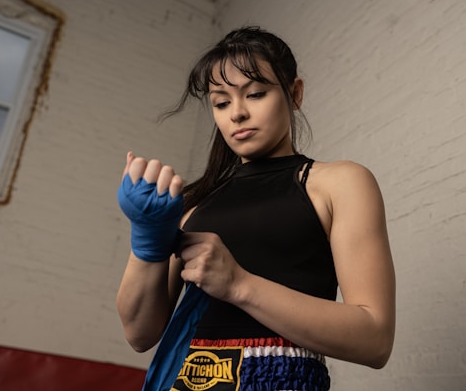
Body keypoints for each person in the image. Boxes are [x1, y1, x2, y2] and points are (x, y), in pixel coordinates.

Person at [116, 26, 395, 391]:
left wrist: (240, 285)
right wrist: (147, 241)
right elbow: (139, 334)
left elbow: (375, 340)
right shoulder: (192, 204)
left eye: (256, 93)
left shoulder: (338, 182)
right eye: (221, 102)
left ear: (294, 93)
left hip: (279, 381)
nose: (237, 114)